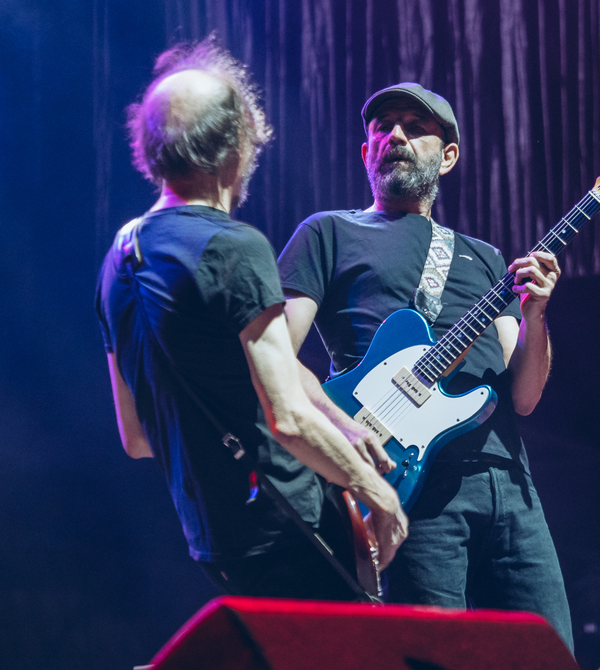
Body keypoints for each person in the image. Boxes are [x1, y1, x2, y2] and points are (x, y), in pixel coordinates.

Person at [95, 39, 407, 601]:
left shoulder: (119, 259)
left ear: (149, 150)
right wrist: (373, 491)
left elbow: (137, 436)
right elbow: (284, 417)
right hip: (291, 532)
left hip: (215, 542)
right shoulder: (234, 247)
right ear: (237, 147)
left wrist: (339, 421)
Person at [276, 82, 573, 647]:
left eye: (415, 126)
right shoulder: (329, 232)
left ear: (449, 156)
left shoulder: (486, 258)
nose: (396, 136)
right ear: (366, 153)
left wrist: (537, 316)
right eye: (383, 127)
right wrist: (346, 442)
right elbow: (277, 356)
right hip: (408, 483)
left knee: (550, 654)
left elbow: (526, 396)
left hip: (509, 486)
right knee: (437, 660)